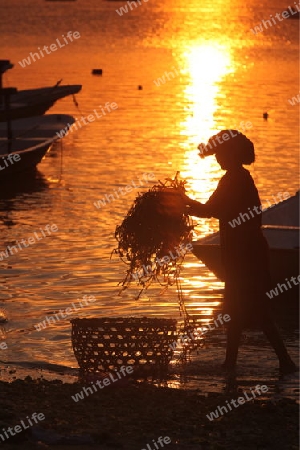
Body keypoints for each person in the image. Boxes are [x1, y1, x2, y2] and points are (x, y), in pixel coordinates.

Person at [183, 130, 297, 374]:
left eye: (221, 153)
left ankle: (285, 362)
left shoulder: (236, 179)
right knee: (234, 310)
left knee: (257, 311)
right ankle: (231, 363)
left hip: (247, 257)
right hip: (240, 255)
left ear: (231, 153)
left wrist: (181, 201)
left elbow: (209, 210)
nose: (217, 159)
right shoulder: (236, 178)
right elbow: (214, 210)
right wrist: (184, 204)